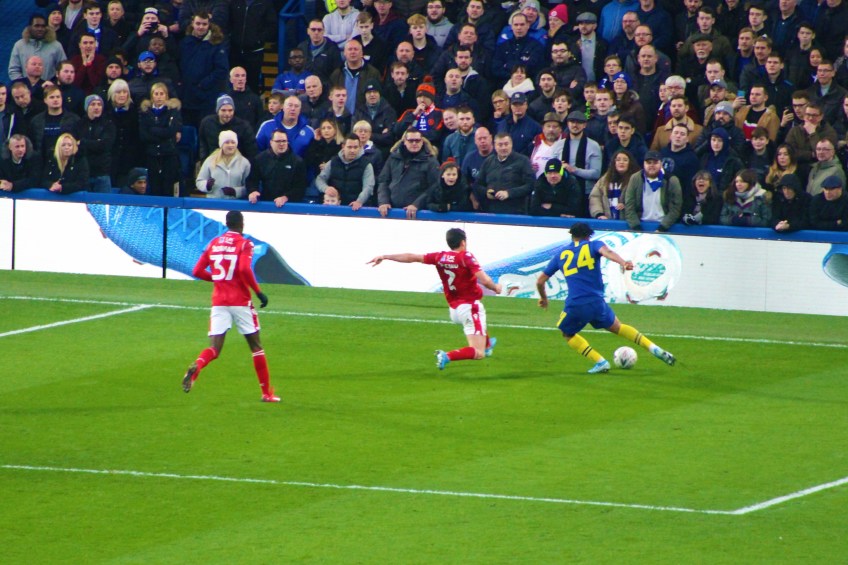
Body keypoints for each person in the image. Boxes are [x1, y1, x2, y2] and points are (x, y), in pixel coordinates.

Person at [535, 222, 676, 374]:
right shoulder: (593, 245)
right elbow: (607, 252)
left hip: (576, 304)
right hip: (597, 302)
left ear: (572, 235)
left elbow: (540, 281)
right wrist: (623, 262)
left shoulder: (561, 255)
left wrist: (544, 298)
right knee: (617, 327)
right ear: (588, 235)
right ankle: (654, 348)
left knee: (567, 333)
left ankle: (600, 361)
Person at [367, 228, 502, 370]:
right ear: (463, 242)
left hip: (454, 310)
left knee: (479, 321)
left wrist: (385, 256)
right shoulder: (465, 257)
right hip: (469, 308)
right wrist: (496, 288)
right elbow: (485, 280)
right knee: (478, 352)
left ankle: (487, 344)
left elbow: (412, 257)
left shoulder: (440, 257)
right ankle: (447, 356)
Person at [182, 210, 279, 403]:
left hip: (219, 301)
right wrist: (258, 292)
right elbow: (243, 269)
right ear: (241, 223)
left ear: (226, 224)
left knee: (214, 348)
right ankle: (266, 393)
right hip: (240, 301)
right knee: (256, 347)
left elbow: (197, 270)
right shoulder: (245, 244)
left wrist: (217, 279)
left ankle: (197, 367)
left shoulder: (214, 243)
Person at [378, 128, 440, 218]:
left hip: (418, 213)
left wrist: (417, 204)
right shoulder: (393, 158)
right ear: (404, 141)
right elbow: (383, 181)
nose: (414, 143)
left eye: (417, 140)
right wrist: (383, 201)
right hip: (391, 211)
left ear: (422, 142)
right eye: (411, 141)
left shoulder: (431, 161)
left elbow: (434, 186)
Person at [624, 150, 683, 231]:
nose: (651, 165)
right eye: (649, 163)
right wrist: (636, 227)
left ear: (661, 164)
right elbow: (629, 204)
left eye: (655, 163)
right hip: (640, 224)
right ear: (644, 164)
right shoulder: (635, 178)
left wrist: (662, 228)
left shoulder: (672, 180)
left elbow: (676, 208)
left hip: (664, 226)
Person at [247, 129, 308, 206]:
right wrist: (253, 191)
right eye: (278, 141)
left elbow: (300, 187)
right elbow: (252, 180)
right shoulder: (260, 159)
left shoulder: (298, 162)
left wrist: (286, 197)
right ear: (271, 142)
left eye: (284, 141)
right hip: (266, 203)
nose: (281, 144)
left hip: (289, 205)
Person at [315, 134, 375, 210]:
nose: (352, 150)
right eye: (349, 147)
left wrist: (359, 201)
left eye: (355, 147)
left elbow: (368, 187)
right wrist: (325, 188)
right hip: (334, 208)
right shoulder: (333, 162)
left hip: (356, 209)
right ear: (343, 147)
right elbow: (320, 179)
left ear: (360, 147)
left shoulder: (366, 165)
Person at [196, 130, 251, 200]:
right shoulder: (210, 160)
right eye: (227, 142)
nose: (230, 145)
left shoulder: (244, 162)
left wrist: (235, 191)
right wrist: (207, 185)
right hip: (214, 201)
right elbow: (199, 181)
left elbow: (249, 186)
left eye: (233, 142)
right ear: (221, 144)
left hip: (235, 203)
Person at [589, 149, 640, 220]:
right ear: (614, 163)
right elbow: (595, 197)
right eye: (618, 160)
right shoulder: (604, 179)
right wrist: (599, 214)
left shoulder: (636, 179)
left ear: (630, 163)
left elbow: (640, 199)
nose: (621, 162)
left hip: (628, 221)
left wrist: (627, 206)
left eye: (625, 160)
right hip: (607, 220)